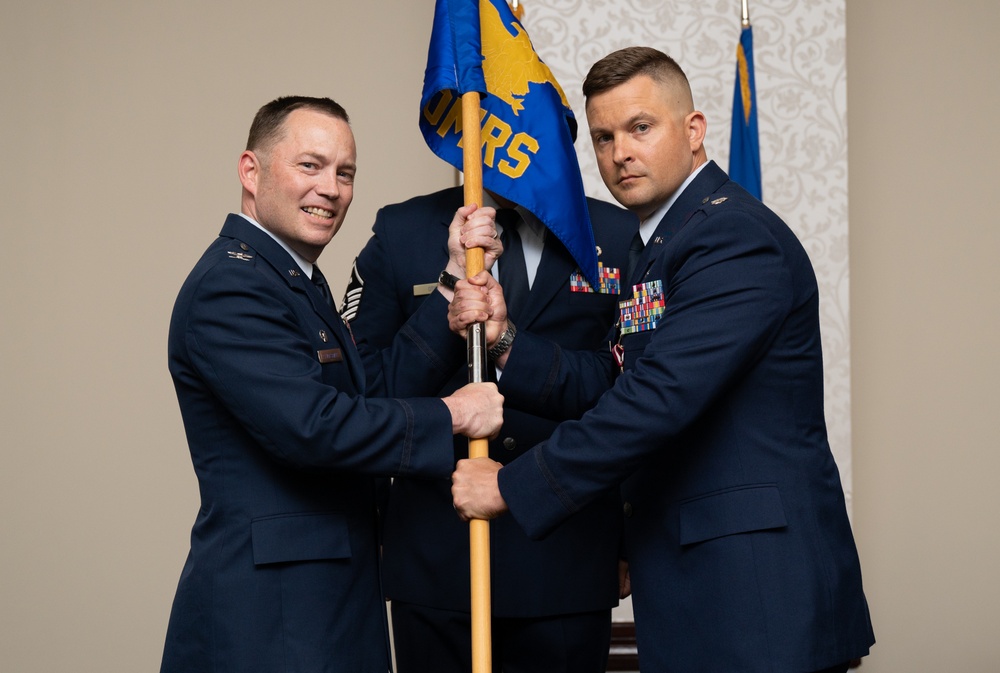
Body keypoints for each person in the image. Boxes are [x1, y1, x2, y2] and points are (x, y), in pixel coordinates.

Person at [449, 47, 875, 673]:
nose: (620, 152)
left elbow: (658, 399)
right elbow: (619, 378)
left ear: (694, 131)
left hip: (757, 595)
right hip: (695, 585)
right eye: (603, 136)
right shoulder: (662, 246)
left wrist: (512, 487)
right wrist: (506, 337)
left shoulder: (733, 239)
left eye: (640, 127)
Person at [159, 96, 504, 673]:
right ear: (251, 170)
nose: (331, 188)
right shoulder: (233, 288)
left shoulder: (294, 283)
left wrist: (447, 288)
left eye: (345, 173)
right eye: (310, 166)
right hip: (273, 617)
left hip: (330, 603)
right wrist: (455, 415)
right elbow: (315, 428)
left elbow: (369, 398)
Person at [342, 181, 635, 672]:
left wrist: (628, 539)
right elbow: (366, 393)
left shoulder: (618, 232)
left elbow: (629, 394)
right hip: (436, 558)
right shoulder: (403, 229)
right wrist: (448, 300)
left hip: (567, 557)